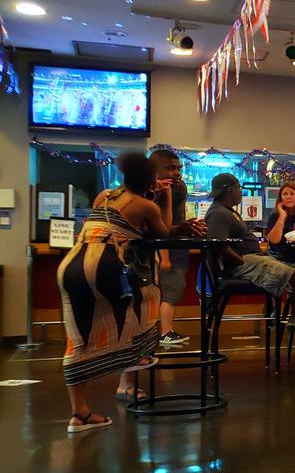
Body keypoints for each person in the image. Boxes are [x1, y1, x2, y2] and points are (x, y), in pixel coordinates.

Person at [57, 153, 205, 433]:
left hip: (71, 264)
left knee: (77, 336)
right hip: (105, 265)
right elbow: (161, 234)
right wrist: (168, 199)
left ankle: (80, 414)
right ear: (150, 178)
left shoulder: (105, 194)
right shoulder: (146, 204)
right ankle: (128, 384)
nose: (174, 173)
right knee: (147, 307)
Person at [205, 173, 295, 325]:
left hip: (250, 259)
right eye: (239, 187)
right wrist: (239, 260)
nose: (241, 191)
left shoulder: (224, 210)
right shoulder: (218, 213)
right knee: (292, 275)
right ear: (229, 190)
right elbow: (217, 245)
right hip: (242, 263)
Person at [150, 149, 194, 345]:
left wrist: (187, 227)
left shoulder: (176, 188)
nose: (176, 172)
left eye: (178, 168)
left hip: (177, 247)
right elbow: (159, 231)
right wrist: (164, 256)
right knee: (171, 291)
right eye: (170, 168)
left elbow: (170, 226)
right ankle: (165, 332)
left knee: (174, 289)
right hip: (166, 251)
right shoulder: (154, 193)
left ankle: (166, 331)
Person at [265, 182, 295, 267]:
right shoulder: (275, 216)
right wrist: (282, 216)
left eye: (292, 194)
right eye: (285, 194)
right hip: (280, 259)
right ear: (281, 198)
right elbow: (274, 240)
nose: (289, 197)